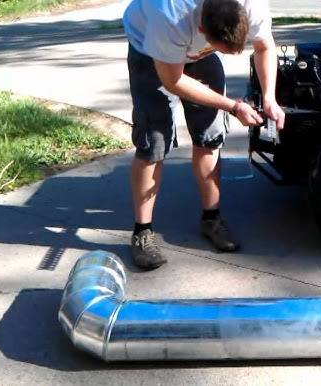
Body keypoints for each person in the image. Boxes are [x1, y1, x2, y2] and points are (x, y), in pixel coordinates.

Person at [122, 0, 285, 270]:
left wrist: (270, 97)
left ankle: (212, 218)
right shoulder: (170, 15)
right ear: (201, 28)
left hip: (200, 48)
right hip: (149, 50)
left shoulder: (251, 5)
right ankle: (142, 232)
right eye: (223, 49)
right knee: (154, 141)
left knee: (210, 136)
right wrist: (233, 106)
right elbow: (172, 81)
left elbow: (264, 46)